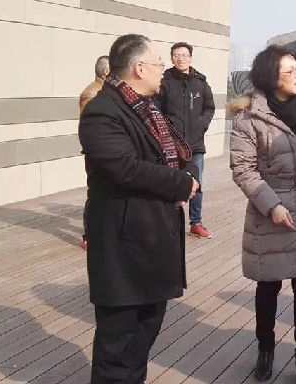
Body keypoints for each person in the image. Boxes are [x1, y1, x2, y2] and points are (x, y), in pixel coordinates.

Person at [79, 34, 199, 383]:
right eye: (159, 64)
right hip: (123, 244)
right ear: (139, 68)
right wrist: (180, 183)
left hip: (153, 240)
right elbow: (125, 168)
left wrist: (188, 173)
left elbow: (175, 152)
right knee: (118, 341)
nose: (163, 70)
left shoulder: (148, 107)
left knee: (145, 330)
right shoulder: (101, 111)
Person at [229, 44, 296, 384]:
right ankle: (265, 349)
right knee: (268, 285)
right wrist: (271, 205)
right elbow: (243, 169)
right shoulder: (249, 116)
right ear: (270, 77)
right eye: (289, 71)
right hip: (272, 208)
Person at [157, 42, 216, 239]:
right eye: (176, 56)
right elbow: (156, 109)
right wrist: (166, 130)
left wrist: (201, 125)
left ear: (190, 58)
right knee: (170, 182)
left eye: (184, 55)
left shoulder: (200, 82)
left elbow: (209, 107)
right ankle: (169, 222)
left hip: (195, 144)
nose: (180, 59)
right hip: (172, 144)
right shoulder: (165, 82)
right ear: (171, 58)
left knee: (196, 183)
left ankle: (196, 223)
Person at [79, 55, 109, 251]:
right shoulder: (92, 93)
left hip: (107, 150)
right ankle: (89, 236)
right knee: (96, 194)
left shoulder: (104, 91)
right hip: (97, 152)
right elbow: (91, 127)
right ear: (106, 72)